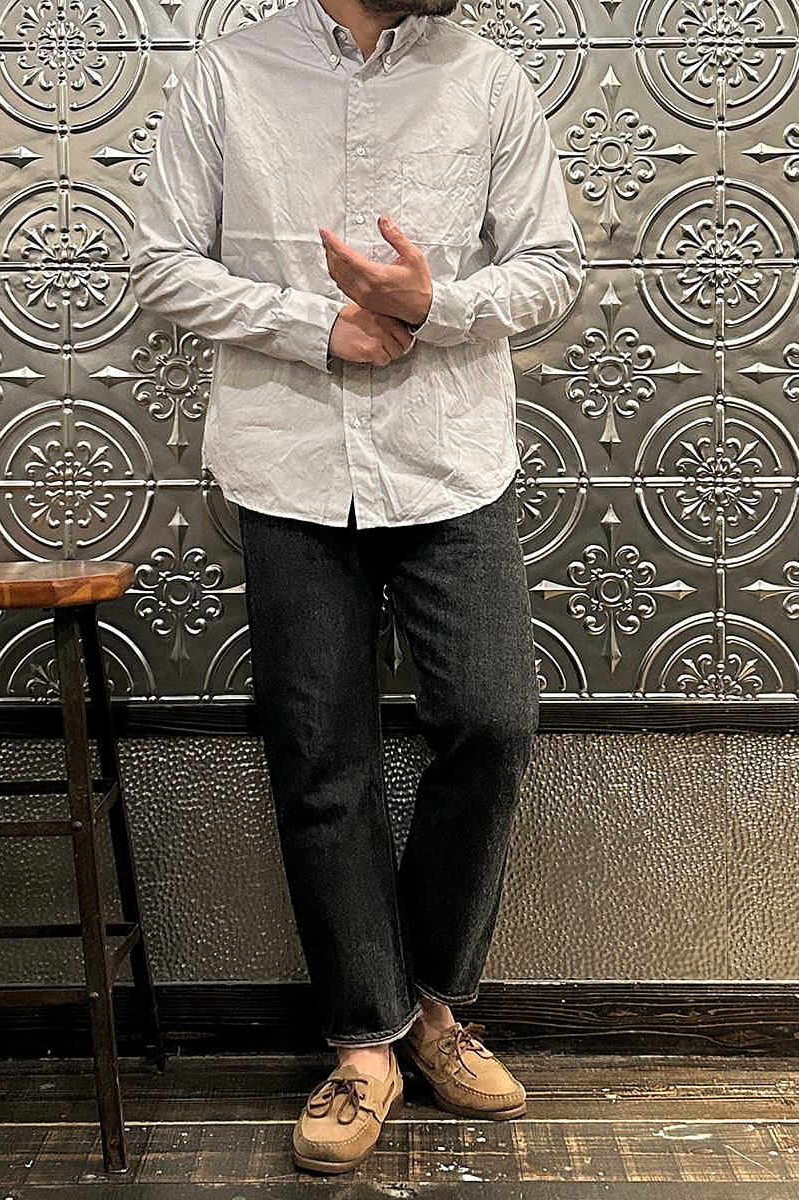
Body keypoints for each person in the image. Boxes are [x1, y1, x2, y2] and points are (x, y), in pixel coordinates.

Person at [129, 0, 583, 1174]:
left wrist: (437, 307)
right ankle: (365, 1043)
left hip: (452, 459)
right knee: (321, 756)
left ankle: (432, 1004)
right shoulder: (227, 77)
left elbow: (553, 267)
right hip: (287, 465)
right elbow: (161, 262)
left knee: (491, 720)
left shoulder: (487, 77)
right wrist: (313, 324)